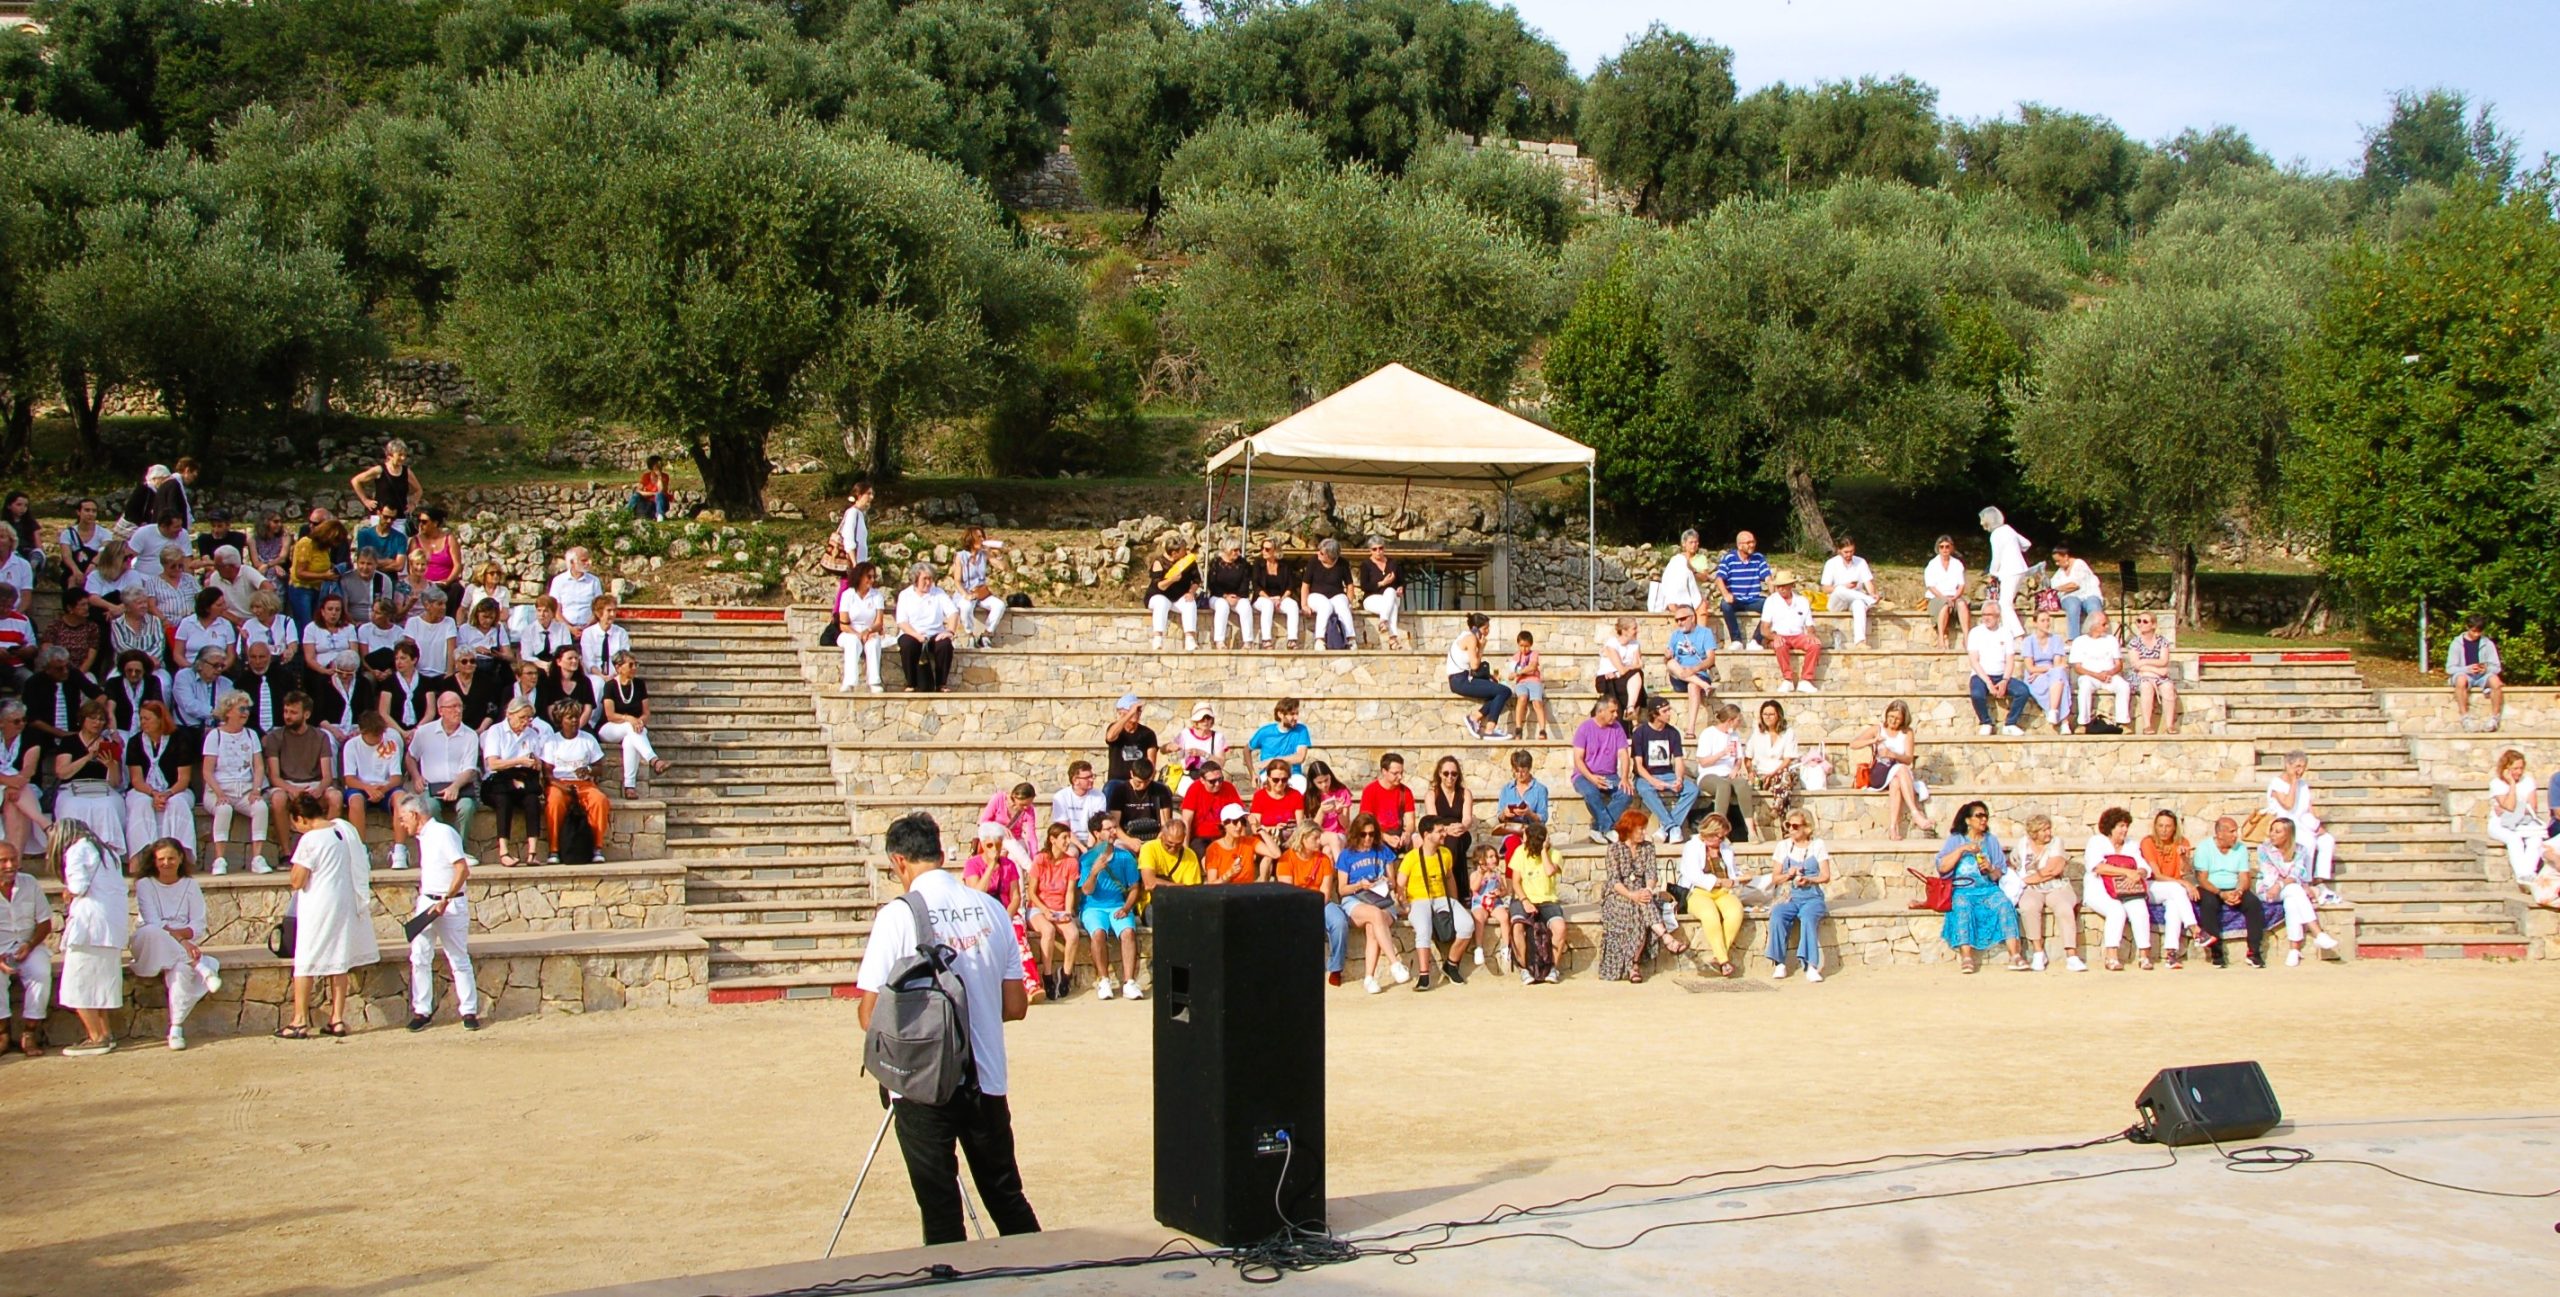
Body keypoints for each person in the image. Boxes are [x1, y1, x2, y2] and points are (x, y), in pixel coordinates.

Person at [857, 816, 1044, 1246]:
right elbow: (1016, 1006)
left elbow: (870, 1014)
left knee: (940, 1210)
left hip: (921, 1081)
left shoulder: (897, 916)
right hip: (985, 1077)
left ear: (899, 861)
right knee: (1007, 1198)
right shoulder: (993, 909)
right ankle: (1047, 1275)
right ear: (941, 855)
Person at [130, 838, 222, 1050]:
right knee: (152, 931)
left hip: (180, 947)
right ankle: (200, 967)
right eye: (161, 859)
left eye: (171, 858)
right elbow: (153, 921)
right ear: (154, 861)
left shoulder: (190, 885)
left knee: (180, 970)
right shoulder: (145, 884)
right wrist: (182, 941)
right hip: (150, 945)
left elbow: (198, 925)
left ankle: (176, 1028)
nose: (166, 863)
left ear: (180, 858)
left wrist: (183, 938)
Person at [51, 819, 128, 1054]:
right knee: (100, 985)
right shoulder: (108, 853)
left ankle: (96, 1037)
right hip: (111, 926)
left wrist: (68, 892)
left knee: (78, 985)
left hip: (89, 927)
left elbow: (78, 886)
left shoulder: (77, 849)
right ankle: (105, 1033)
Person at [1936, 802, 2026, 973]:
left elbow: (1999, 873)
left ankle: (2015, 955)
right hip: (1963, 889)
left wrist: (1990, 868)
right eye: (1979, 816)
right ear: (1968, 820)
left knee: (2004, 905)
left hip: (1987, 888)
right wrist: (1962, 849)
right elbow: (1942, 867)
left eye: (1985, 816)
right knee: (1962, 907)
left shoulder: (1991, 841)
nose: (1984, 819)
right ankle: (1967, 957)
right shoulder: (1956, 840)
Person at [1396, 816, 1474, 988]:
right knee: (1423, 930)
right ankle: (1424, 975)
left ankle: (1451, 964)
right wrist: (1404, 905)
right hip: (1418, 900)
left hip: (1442, 898)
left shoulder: (1445, 854)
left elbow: (1449, 878)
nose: (1444, 834)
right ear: (1426, 834)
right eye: (1439, 831)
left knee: (1467, 925)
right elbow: (1400, 885)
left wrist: (1454, 902)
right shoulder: (1411, 857)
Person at [1334, 813, 1407, 993]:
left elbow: (1393, 882)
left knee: (1372, 926)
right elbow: (1342, 889)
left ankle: (1369, 978)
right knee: (1375, 915)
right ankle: (1395, 963)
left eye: (1372, 834)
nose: (1368, 838)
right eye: (1363, 834)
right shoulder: (1346, 855)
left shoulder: (1382, 851)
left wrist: (1385, 882)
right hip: (1355, 899)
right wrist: (1360, 885)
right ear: (1356, 834)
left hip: (1381, 899)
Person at [2257, 819, 2341, 966]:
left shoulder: (2300, 850)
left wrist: (2284, 882)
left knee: (2292, 901)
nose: (2272, 834)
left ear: (2288, 834)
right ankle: (2318, 933)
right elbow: (2270, 876)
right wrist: (2286, 881)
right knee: (2295, 889)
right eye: (2272, 830)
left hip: (2288, 889)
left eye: (2278, 831)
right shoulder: (2264, 849)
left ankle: (2294, 950)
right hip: (2268, 890)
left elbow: (2297, 873)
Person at [53, 698, 128, 858]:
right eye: (92, 718)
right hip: (73, 788)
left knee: (108, 806)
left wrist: (111, 765)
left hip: (102, 789)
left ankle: (108, 853)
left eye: (101, 719)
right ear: (83, 719)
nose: (97, 722)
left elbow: (116, 783)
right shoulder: (69, 742)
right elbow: (62, 773)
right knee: (72, 805)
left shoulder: (109, 744)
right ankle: (72, 852)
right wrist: (88, 757)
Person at [263, 692, 341, 844]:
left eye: (293, 712)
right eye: (286, 711)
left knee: (336, 797)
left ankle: (325, 844)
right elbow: (274, 777)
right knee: (278, 799)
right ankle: (286, 851)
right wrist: (292, 789)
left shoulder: (321, 737)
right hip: (286, 784)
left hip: (314, 783)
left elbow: (327, 776)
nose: (287, 716)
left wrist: (319, 790)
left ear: (306, 714)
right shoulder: (275, 737)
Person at [1847, 700, 1931, 840]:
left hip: (1899, 772)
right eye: (1891, 716)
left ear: (1903, 719)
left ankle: (1893, 828)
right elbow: (1853, 744)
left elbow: (1908, 759)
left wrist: (1893, 754)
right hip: (1880, 772)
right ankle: (1915, 813)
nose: (1893, 720)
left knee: (1897, 781)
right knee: (1901, 769)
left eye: (1897, 718)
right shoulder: (1878, 729)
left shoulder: (1907, 733)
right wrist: (1872, 741)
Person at [123, 701, 195, 864]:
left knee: (177, 804)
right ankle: (141, 861)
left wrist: (167, 794)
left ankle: (179, 858)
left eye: (147, 718)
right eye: (141, 718)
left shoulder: (180, 739)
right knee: (141, 804)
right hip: (144, 790)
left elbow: (183, 779)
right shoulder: (135, 742)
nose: (143, 722)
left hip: (176, 789)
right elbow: (136, 779)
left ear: (160, 719)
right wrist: (154, 794)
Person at [2082, 808, 2153, 971]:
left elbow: (2144, 868)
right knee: (2116, 910)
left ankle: (2144, 955)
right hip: (2099, 889)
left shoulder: (2131, 844)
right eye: (2121, 826)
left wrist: (2137, 874)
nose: (2125, 830)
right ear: (2111, 827)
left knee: (2140, 909)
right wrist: (2127, 872)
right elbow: (2098, 867)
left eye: (2126, 826)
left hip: (2127, 889)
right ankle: (2111, 956)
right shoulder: (2096, 842)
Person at [0, 843, 55, 1055]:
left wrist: (29, 945)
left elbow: (45, 923)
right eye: (3, 861)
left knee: (41, 973)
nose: (10, 865)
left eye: (13, 859)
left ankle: (29, 1033)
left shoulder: (29, 883)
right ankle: (2, 1034)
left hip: (28, 945)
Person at [479, 700, 548, 867]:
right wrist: (518, 761)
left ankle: (532, 852)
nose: (525, 722)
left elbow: (537, 761)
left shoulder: (531, 734)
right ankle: (504, 851)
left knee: (532, 800)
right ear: (510, 714)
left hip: (523, 778)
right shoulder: (496, 731)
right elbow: (493, 764)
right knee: (503, 800)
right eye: (522, 717)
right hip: (499, 779)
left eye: (529, 718)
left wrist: (535, 762)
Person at [2010, 813, 2082, 971]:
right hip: (2031, 887)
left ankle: (2072, 956)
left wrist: (2027, 879)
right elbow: (2014, 865)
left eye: (2049, 828)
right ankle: (2038, 952)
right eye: (2044, 830)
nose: (2048, 833)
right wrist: (2027, 879)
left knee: (2064, 907)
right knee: (2028, 906)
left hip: (2055, 885)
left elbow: (2053, 870)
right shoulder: (2022, 844)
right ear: (2034, 833)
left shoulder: (2056, 842)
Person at [1765, 810, 1831, 982]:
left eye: (1795, 826)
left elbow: (1825, 876)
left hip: (1812, 896)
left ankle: (1811, 965)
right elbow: (1775, 878)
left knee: (1808, 918)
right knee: (1778, 915)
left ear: (1806, 827)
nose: (1791, 829)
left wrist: (1809, 880)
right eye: (1788, 825)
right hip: (1790, 896)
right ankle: (1779, 962)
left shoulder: (1817, 845)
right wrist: (1789, 874)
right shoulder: (1783, 846)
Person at [2265, 749, 2339, 902]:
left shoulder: (2303, 784)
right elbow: (2288, 805)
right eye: (2297, 766)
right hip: (2287, 823)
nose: (2300, 770)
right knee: (2308, 842)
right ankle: (2306, 880)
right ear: (2288, 765)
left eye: (2303, 767)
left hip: (2304, 822)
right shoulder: (2277, 784)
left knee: (2327, 840)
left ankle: (2319, 878)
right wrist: (2293, 782)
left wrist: (2317, 825)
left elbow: (2308, 807)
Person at [2193, 815, 2267, 969]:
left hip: (2234, 888)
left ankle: (2254, 952)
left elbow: (2244, 877)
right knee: (2208, 903)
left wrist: (2239, 891)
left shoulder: (2241, 849)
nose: (2236, 835)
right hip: (2211, 888)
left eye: (2236, 831)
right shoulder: (2204, 848)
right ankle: (2216, 952)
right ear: (2220, 834)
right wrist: (2221, 893)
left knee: (2253, 903)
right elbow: (2202, 879)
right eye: (2232, 831)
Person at [1676, 813, 1745, 977]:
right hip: (1698, 891)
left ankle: (1718, 957)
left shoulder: (1725, 848)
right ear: (1709, 833)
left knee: (1736, 912)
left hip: (1722, 892)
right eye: (1719, 837)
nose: (1721, 840)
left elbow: (1732, 872)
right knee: (1710, 915)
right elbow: (1694, 875)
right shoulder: (1692, 847)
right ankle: (1724, 961)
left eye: (1723, 837)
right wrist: (1719, 882)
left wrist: (1740, 878)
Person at [542, 701, 611, 863]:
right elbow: (547, 774)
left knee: (599, 800)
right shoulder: (552, 741)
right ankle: (554, 850)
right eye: (570, 717)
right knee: (554, 803)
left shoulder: (588, 739)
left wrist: (588, 770)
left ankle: (597, 848)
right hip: (559, 783)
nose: (574, 721)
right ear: (561, 720)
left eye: (576, 717)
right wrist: (562, 786)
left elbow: (599, 768)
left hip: (583, 784)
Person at [411, 691, 483, 838]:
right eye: (453, 707)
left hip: (461, 787)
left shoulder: (470, 735)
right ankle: (441, 844)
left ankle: (460, 847)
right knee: (430, 807)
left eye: (460, 706)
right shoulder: (424, 732)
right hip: (432, 787)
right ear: (441, 711)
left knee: (467, 807)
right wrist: (416, 777)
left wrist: (455, 787)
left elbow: (469, 769)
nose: (458, 710)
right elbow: (410, 756)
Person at [1503, 821, 1567, 984]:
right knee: (1517, 926)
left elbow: (1550, 871)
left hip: (1548, 900)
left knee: (1560, 928)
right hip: (1524, 898)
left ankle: (1553, 968)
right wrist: (1525, 901)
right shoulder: (1520, 852)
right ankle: (1524, 968)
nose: (1523, 840)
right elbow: (1516, 882)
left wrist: (1544, 851)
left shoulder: (1555, 854)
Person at [597, 651, 667, 798]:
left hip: (633, 728)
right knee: (631, 728)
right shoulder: (610, 685)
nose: (634, 668)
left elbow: (646, 713)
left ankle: (630, 787)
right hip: (610, 727)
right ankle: (654, 760)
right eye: (630, 665)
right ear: (618, 667)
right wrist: (629, 719)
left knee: (630, 740)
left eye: (636, 664)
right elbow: (610, 715)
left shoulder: (639, 684)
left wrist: (640, 722)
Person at [2139, 809, 2202, 969]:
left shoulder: (2182, 842)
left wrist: (2183, 857)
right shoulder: (2148, 842)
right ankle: (2195, 928)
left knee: (2174, 906)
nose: (2164, 830)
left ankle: (2171, 953)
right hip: (2151, 886)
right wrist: (2185, 884)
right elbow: (2157, 875)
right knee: (2177, 889)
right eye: (2160, 826)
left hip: (2172, 888)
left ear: (2174, 828)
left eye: (2168, 826)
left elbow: (2185, 871)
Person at [1629, 698, 1698, 845]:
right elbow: (1638, 766)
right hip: (1646, 776)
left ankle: (1666, 827)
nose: (1669, 713)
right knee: (1644, 788)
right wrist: (1654, 781)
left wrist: (1679, 779)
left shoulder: (1673, 733)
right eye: (1665, 711)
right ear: (1654, 714)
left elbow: (1678, 760)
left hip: (1668, 774)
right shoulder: (1640, 733)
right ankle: (1672, 827)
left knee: (1692, 789)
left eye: (1669, 709)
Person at [1026, 823, 1084, 998]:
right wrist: (1045, 910)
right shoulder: (1040, 859)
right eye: (1064, 838)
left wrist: (1067, 911)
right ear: (1053, 840)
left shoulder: (1071, 862)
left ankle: (1066, 975)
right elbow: (1031, 892)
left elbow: (1070, 891)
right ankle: (1048, 975)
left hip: (1059, 908)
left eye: (1068, 837)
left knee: (1073, 934)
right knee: (1048, 930)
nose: (1067, 841)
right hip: (1038, 907)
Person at [2485, 750, 2558, 886]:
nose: (2519, 772)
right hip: (2500, 824)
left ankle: (2528, 875)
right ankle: (2523, 876)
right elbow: (2509, 805)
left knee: (2535, 840)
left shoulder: (2528, 781)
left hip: (2525, 824)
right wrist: (2512, 784)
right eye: (2515, 769)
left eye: (2521, 768)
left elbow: (2532, 808)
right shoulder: (2496, 783)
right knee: (2514, 840)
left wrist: (2511, 810)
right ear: (2506, 768)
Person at [893, 562, 960, 693]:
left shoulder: (938, 593)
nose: (928, 582)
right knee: (907, 644)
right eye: (925, 579)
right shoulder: (905, 595)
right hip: (913, 633)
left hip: (935, 634)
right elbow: (902, 621)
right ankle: (911, 683)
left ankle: (941, 683)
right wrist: (917, 636)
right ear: (915, 579)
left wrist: (950, 631)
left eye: (930, 579)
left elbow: (953, 612)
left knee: (945, 645)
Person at [1965, 599, 2028, 735]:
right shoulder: (1975, 633)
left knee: (2022, 691)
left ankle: (2010, 723)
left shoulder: (2006, 633)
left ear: (1998, 616)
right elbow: (1974, 661)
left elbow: (2010, 660)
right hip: (1981, 675)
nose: (1986, 618)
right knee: (1977, 694)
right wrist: (1988, 682)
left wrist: (2005, 680)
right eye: (1984, 614)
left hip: (2001, 675)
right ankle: (1986, 722)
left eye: (1990, 615)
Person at [1446, 611, 1511, 740]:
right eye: (1485, 628)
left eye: (1488, 628)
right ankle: (1490, 730)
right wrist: (1481, 648)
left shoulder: (1465, 636)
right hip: (1461, 680)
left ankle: (1474, 717)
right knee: (1504, 691)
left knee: (1499, 692)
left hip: (1460, 679)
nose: (1487, 631)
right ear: (1475, 628)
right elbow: (1475, 665)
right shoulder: (1471, 638)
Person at [2068, 609, 2131, 732]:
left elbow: (2119, 664)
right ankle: (2083, 723)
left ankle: (2123, 723)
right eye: (2103, 624)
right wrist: (2097, 675)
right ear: (2094, 625)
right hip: (2089, 676)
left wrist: (2109, 673)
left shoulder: (2111, 640)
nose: (2107, 627)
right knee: (2085, 686)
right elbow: (2078, 668)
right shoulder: (2080, 641)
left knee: (2124, 686)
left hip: (2109, 676)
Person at [1759, 571, 1822, 692]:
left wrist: (1811, 634)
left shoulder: (1802, 601)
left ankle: (1806, 680)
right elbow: (1764, 629)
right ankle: (1788, 679)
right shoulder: (1771, 601)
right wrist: (1774, 637)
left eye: (1784, 586)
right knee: (1779, 644)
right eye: (1779, 586)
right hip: (1779, 635)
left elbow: (1809, 625)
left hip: (1798, 636)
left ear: (1791, 585)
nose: (1781, 589)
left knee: (1815, 644)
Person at [1746, 699, 1801, 833]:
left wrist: (1773, 773)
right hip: (1763, 775)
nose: (1768, 717)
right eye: (1765, 714)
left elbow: (1788, 759)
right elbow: (1748, 757)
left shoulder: (1788, 733)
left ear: (1778, 716)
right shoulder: (1757, 733)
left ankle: (1776, 808)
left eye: (1771, 714)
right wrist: (1750, 772)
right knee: (1783, 790)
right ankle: (1786, 831)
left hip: (1781, 772)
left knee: (1784, 778)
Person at [1663, 604, 1718, 733]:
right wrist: (1666, 657)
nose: (1679, 623)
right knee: (1671, 663)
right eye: (1677, 620)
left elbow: (1711, 659)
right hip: (1679, 677)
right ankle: (1704, 686)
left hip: (1699, 673)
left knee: (1693, 686)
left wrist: (1693, 670)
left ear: (1692, 618)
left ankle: (1691, 728)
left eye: (1682, 619)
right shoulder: (1675, 635)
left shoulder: (1705, 633)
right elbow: (1667, 661)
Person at [1712, 531, 1771, 649]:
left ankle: (1756, 641)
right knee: (1725, 605)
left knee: (1772, 606)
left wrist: (1774, 595)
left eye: (1753, 542)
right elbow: (1719, 579)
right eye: (1748, 543)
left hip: (1753, 599)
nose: (1752, 545)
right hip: (1735, 599)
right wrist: (1726, 594)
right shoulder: (1729, 558)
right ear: (1739, 545)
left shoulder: (1758, 558)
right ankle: (1736, 640)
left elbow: (1768, 578)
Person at [835, 561, 887, 693]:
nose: (872, 580)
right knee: (853, 642)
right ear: (860, 576)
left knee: (874, 643)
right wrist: (858, 635)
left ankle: (874, 682)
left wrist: (868, 631)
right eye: (869, 577)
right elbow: (843, 625)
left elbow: (879, 622)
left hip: (870, 631)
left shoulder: (877, 596)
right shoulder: (848, 595)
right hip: (850, 632)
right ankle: (849, 682)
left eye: (873, 577)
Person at [1820, 535, 1881, 647]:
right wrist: (1845, 586)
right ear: (1839, 551)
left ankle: (1860, 642)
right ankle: (1869, 600)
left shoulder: (1861, 562)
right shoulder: (1831, 563)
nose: (1849, 555)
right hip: (1837, 601)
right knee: (1840, 589)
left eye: (1851, 551)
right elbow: (1825, 588)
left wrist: (1873, 594)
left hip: (1854, 599)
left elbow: (1868, 582)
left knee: (1859, 604)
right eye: (1846, 552)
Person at [2446, 615, 2503, 731]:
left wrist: (2486, 669)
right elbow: (2450, 668)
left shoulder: (2487, 643)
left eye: (2479, 631)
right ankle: (2465, 718)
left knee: (2496, 682)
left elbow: (2497, 667)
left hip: (2483, 675)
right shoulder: (2456, 643)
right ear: (2467, 627)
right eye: (2474, 631)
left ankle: (2494, 718)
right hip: (2464, 674)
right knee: (2461, 680)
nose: (2476, 634)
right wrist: (2467, 669)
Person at [350, 439, 424, 529]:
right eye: (400, 455)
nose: (403, 458)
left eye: (404, 455)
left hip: (399, 518)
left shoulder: (406, 472)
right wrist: (365, 500)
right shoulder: (379, 470)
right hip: (380, 517)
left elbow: (418, 490)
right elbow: (355, 481)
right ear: (390, 455)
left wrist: (413, 504)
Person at [952, 526, 1006, 648]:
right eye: (979, 537)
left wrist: (997, 555)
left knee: (999, 605)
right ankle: (970, 635)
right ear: (971, 539)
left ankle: (986, 635)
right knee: (965, 607)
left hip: (980, 592)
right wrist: (966, 595)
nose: (982, 539)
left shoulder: (984, 554)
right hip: (965, 592)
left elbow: (1002, 567)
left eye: (983, 537)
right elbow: (957, 581)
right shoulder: (961, 556)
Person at [1981, 506, 2031, 636]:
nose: (1981, 523)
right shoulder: (2008, 529)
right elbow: (2026, 544)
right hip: (2020, 569)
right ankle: (2009, 633)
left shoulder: (1995, 535)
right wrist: (2014, 548)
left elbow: (1996, 557)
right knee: (2006, 602)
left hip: (2010, 571)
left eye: (1983, 520)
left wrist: (1992, 572)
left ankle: (2018, 633)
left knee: (2004, 604)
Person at [1145, 535, 1201, 651]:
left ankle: (1190, 639)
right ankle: (1158, 639)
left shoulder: (1188, 561)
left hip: (1179, 596)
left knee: (1190, 603)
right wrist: (1172, 580)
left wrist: (1191, 592)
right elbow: (1160, 586)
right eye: (1183, 550)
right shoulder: (1159, 562)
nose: (1186, 551)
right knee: (1161, 602)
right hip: (1159, 595)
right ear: (1174, 553)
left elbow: (1196, 580)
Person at [2126, 613, 2179, 734]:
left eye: (2145, 621)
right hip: (2140, 675)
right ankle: (2147, 725)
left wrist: (2145, 662)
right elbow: (2136, 665)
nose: (2141, 624)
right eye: (2139, 621)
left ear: (2153, 625)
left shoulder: (2162, 641)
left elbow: (2163, 661)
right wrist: (2157, 670)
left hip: (2157, 675)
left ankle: (2170, 725)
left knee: (2168, 687)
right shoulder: (2134, 642)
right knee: (2146, 686)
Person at [2020, 610, 2070, 734]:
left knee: (2059, 676)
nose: (2046, 623)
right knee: (2060, 679)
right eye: (2042, 620)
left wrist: (2047, 670)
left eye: (2048, 620)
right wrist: (2046, 669)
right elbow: (2030, 668)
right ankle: (2064, 721)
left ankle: (2053, 711)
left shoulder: (2056, 639)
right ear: (2035, 623)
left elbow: (2057, 664)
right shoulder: (2028, 641)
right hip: (2034, 677)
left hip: (2051, 673)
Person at [1246, 698, 1312, 786]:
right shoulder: (1265, 732)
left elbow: (1300, 757)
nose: (1296, 717)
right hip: (1269, 774)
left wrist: (1273, 761)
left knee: (1302, 783)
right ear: (1280, 714)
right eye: (1292, 714)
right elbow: (1246, 750)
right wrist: (1252, 774)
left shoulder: (1301, 730)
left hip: (1293, 775)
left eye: (1297, 713)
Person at [1358, 752, 1417, 852]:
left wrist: (1407, 834)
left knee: (1418, 840)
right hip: (1377, 834)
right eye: (1395, 773)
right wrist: (1385, 837)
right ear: (1384, 771)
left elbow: (1411, 821)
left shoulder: (1406, 792)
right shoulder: (1370, 790)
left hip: (1398, 834)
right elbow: (1365, 822)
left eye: (1401, 773)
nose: (1400, 777)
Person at [1356, 537, 1407, 650]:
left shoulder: (1393, 563)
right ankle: (1393, 639)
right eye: (1374, 549)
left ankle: (1383, 621)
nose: (1378, 551)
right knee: (1392, 606)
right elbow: (1365, 586)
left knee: (1390, 591)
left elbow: (1402, 582)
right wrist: (1382, 583)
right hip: (1372, 598)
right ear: (1370, 550)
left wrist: (1401, 588)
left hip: (1392, 596)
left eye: (1381, 548)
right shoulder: (1366, 565)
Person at [1203, 536, 1254, 649]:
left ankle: (1248, 642)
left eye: (1239, 550)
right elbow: (1212, 583)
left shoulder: (1243, 564)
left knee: (1246, 607)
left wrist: (1238, 597)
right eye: (1234, 550)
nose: (1238, 553)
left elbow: (1245, 583)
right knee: (1222, 606)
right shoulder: (1216, 563)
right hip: (1218, 596)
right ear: (1227, 549)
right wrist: (1225, 596)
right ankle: (1219, 641)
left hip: (1237, 596)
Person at [1249, 537, 1300, 649]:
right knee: (1267, 605)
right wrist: (1269, 599)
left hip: (1280, 598)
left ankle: (1292, 640)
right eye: (1262, 548)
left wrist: (1281, 599)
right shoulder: (1258, 564)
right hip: (1262, 598)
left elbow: (1290, 586)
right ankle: (1266, 640)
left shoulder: (1284, 566)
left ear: (1275, 551)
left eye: (1267, 549)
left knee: (1293, 605)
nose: (1263, 551)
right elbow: (1256, 586)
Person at [2046, 543, 2103, 640]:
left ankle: (2096, 638)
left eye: (2058, 561)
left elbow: (2075, 585)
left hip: (2089, 594)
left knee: (2094, 607)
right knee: (2073, 606)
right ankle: (2074, 639)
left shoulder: (2079, 564)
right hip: (2070, 597)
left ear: (2066, 556)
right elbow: (2053, 585)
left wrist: (2058, 588)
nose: (2057, 564)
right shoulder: (2060, 572)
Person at [1592, 617, 1645, 720]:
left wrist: (1624, 670)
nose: (1637, 631)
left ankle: (1630, 708)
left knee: (1638, 674)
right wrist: (1625, 670)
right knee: (1633, 682)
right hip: (1606, 678)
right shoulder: (1612, 644)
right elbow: (1623, 669)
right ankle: (1631, 716)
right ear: (1624, 631)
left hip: (1623, 677)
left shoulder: (1635, 644)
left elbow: (1637, 666)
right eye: (1634, 628)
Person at [1922, 535, 1970, 650]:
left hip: (1954, 596)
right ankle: (1941, 639)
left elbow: (1961, 585)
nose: (1944, 549)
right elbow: (1931, 586)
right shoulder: (1932, 564)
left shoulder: (1957, 564)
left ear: (1951, 548)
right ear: (1938, 549)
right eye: (1942, 547)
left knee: (1962, 604)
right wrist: (1944, 598)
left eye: (1947, 546)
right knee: (1944, 606)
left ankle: (1967, 637)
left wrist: (1955, 597)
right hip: (1936, 597)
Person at [1493, 747, 1549, 840]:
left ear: (1529, 769)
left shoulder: (1540, 789)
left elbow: (1543, 817)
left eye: (1523, 771)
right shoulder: (1506, 789)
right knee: (1512, 841)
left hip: (1533, 834)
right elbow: (1500, 817)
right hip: (1511, 833)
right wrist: (1505, 813)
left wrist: (1530, 813)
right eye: (1517, 771)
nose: (1520, 775)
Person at [1507, 631, 1553, 740]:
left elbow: (1532, 667)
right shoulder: (1516, 657)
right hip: (1521, 683)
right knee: (1522, 699)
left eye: (1526, 646)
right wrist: (1512, 675)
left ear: (1531, 645)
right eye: (1521, 646)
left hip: (1534, 681)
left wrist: (1518, 673)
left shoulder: (1534, 654)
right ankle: (1518, 729)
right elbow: (1511, 673)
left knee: (1537, 702)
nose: (1524, 649)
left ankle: (1542, 730)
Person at [1049, 760, 1106, 846]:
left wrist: (1090, 848)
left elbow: (1096, 825)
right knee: (1072, 852)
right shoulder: (1060, 796)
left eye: (1092, 776)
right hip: (1070, 839)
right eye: (1087, 777)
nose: (1091, 780)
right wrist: (1082, 847)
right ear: (1075, 780)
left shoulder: (1099, 796)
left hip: (1093, 837)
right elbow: (1064, 828)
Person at [548, 548, 604, 631]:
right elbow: (556, 611)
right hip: (564, 629)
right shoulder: (559, 581)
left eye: (588, 560)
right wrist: (570, 628)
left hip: (589, 629)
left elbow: (598, 608)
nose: (588, 563)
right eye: (584, 560)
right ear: (572, 562)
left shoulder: (594, 581)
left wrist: (586, 627)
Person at [576, 595, 630, 675]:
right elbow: (588, 661)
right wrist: (602, 676)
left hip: (616, 674)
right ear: (598, 613)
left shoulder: (621, 633)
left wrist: (613, 676)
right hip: (594, 675)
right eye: (609, 610)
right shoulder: (588, 633)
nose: (612, 614)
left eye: (614, 610)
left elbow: (624, 659)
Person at [1657, 529, 1705, 612]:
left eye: (1696, 542)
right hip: (1677, 596)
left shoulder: (1701, 558)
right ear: (1684, 544)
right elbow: (1668, 579)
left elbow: (1704, 578)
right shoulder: (1677, 559)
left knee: (1702, 608)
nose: (1694, 545)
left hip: (1696, 594)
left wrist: (1692, 570)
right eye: (1691, 542)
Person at [837, 482, 872, 566]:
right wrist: (854, 563)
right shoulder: (853, 513)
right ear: (859, 495)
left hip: (860, 563)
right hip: (854, 564)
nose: (871, 497)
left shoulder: (860, 514)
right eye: (868, 494)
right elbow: (848, 538)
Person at [631, 455, 673, 520]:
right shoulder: (646, 476)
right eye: (658, 465)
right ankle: (626, 512)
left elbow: (661, 490)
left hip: (660, 501)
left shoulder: (665, 476)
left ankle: (660, 515)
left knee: (659, 495)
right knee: (636, 496)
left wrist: (659, 477)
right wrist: (653, 493)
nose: (660, 467)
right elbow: (639, 491)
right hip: (648, 501)